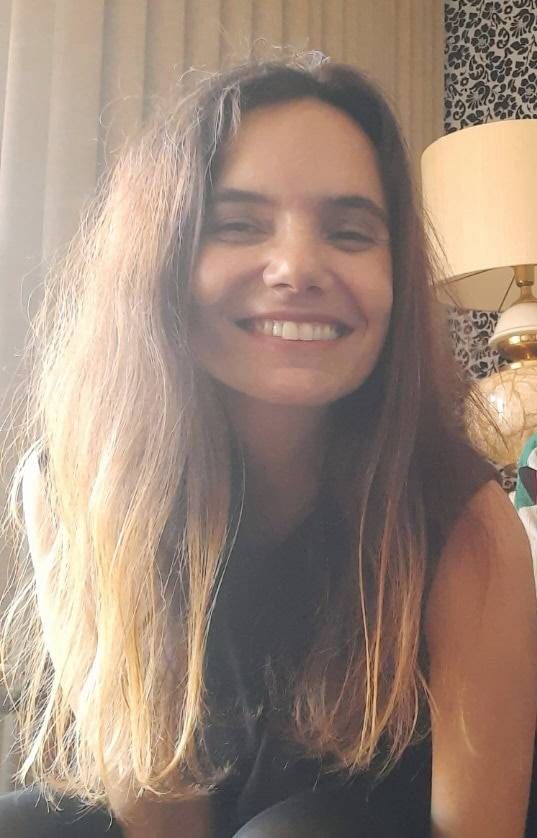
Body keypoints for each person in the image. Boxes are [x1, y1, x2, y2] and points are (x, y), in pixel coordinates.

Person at [0, 50, 536, 838]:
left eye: (349, 232)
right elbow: (157, 803)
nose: (296, 268)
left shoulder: (463, 519)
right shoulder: (74, 487)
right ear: (164, 258)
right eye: (238, 225)